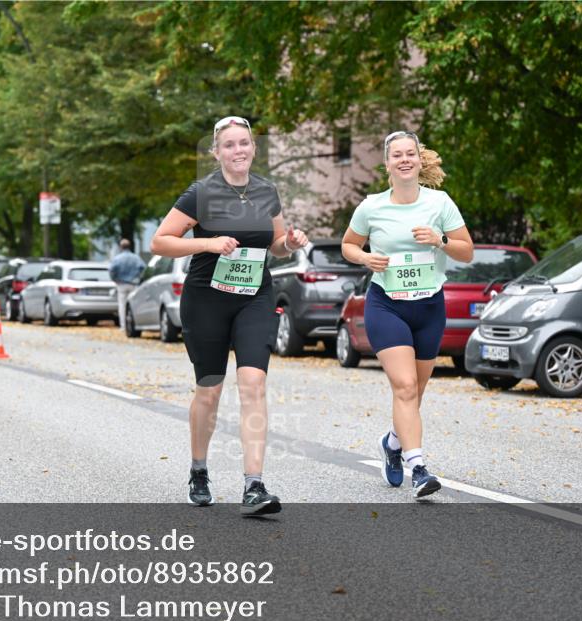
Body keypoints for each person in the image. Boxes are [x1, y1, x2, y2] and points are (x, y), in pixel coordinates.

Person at [151, 115, 308, 516]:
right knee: (210, 388)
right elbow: (161, 241)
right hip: (207, 298)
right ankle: (199, 471)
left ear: (254, 148)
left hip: (255, 295)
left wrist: (288, 242)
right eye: (230, 145)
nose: (238, 150)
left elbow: (275, 244)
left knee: (253, 383)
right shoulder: (201, 193)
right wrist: (208, 242)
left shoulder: (266, 191)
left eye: (245, 143)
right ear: (217, 152)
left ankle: (254, 486)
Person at [341, 130, 474, 499]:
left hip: (429, 306)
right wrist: (366, 257)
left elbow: (466, 252)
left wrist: (440, 241)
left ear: (419, 160)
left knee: (415, 394)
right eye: (396, 155)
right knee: (404, 387)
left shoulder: (440, 202)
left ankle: (392, 443)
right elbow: (348, 245)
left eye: (409, 154)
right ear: (387, 164)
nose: (404, 160)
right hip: (386, 304)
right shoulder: (371, 206)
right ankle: (419, 467)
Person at [108, 238, 148, 332]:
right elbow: (143, 268)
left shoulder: (117, 258)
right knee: (133, 305)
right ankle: (133, 325)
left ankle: (123, 327)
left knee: (122, 306)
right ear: (129, 246)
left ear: (121, 247)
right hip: (133, 284)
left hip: (121, 284)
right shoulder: (136, 257)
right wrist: (138, 278)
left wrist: (115, 279)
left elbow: (111, 270)